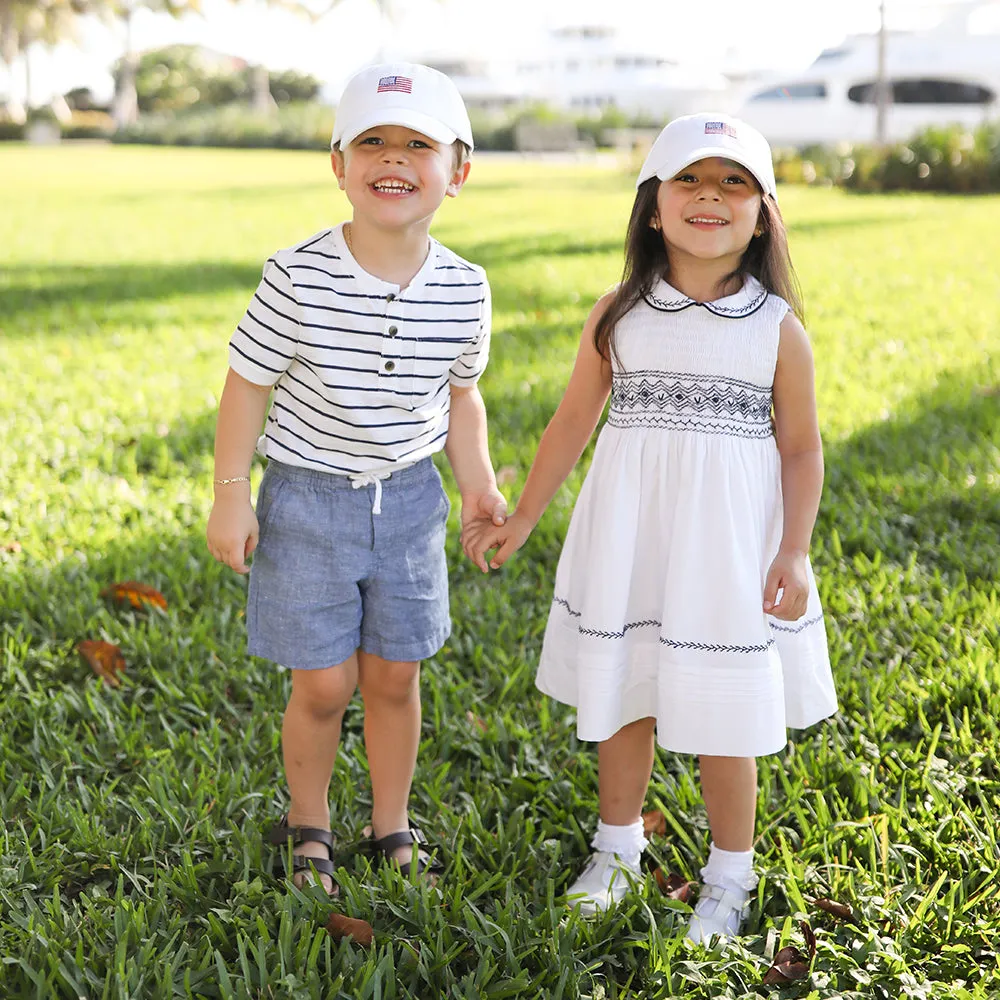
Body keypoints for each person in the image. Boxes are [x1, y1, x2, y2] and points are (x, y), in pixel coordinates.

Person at [464, 113, 838, 942]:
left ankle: (730, 874)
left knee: (724, 711)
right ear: (652, 208)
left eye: (734, 182)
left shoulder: (777, 329)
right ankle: (617, 847)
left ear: (764, 212)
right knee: (625, 692)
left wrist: (795, 549)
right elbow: (568, 425)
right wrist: (524, 514)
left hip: (726, 551)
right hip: (630, 538)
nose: (711, 195)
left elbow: (803, 449)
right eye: (689, 180)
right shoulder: (618, 313)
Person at [206, 62, 506, 894]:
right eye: (371, 141)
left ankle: (390, 823)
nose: (393, 159)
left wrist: (477, 481)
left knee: (395, 675)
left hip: (411, 503)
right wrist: (231, 496)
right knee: (326, 682)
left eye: (418, 144)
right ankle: (310, 825)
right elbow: (246, 385)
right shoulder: (295, 274)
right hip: (308, 498)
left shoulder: (466, 288)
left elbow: (461, 395)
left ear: (459, 170)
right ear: (338, 164)